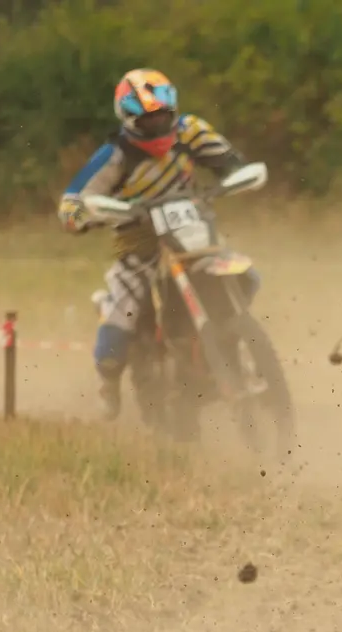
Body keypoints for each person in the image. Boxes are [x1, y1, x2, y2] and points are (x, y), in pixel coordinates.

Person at [56, 68, 249, 426]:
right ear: (129, 120)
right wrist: (81, 217)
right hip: (139, 244)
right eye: (147, 119)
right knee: (116, 333)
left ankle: (237, 347)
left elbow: (230, 162)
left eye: (162, 115)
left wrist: (235, 176)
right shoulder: (113, 155)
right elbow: (72, 201)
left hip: (193, 233)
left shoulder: (191, 131)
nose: (157, 124)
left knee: (248, 276)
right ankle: (109, 383)